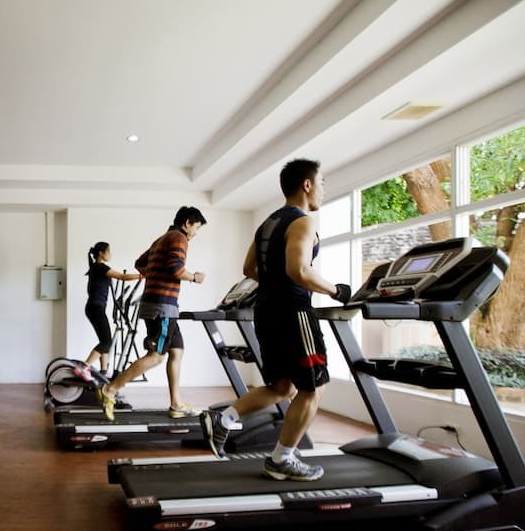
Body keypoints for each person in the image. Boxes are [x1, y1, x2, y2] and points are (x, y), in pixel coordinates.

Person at [200, 159, 351, 482]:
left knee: (282, 387)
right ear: (307, 185)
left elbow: (249, 269)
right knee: (313, 388)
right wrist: (337, 291)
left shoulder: (267, 223)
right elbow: (300, 270)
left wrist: (274, 285)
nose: (324, 189)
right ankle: (282, 459)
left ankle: (224, 419)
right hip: (294, 313)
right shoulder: (303, 222)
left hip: (266, 312)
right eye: (322, 183)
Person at [96, 206, 208, 421]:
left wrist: (155, 276)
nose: (196, 233)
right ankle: (110, 389)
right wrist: (195, 277)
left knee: (177, 351)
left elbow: (140, 263)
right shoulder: (179, 238)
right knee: (156, 356)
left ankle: (176, 404)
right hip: (162, 306)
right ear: (187, 223)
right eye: (196, 228)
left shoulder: (161, 239)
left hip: (160, 304)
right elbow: (176, 269)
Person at [76, 242, 143, 380]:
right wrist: (142, 276)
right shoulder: (100, 267)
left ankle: (104, 371)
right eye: (109, 251)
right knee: (107, 342)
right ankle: (84, 367)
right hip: (96, 308)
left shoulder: (96, 268)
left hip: (94, 307)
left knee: (104, 341)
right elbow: (122, 277)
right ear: (101, 253)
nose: (110, 254)